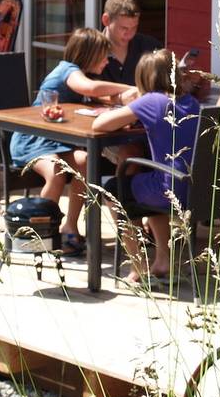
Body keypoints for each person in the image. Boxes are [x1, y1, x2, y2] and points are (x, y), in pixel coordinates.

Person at [9, 29, 136, 256]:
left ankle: (71, 226)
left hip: (54, 141)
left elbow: (99, 95)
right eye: (103, 56)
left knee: (85, 160)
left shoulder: (79, 74)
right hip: (32, 138)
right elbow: (91, 89)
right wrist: (130, 88)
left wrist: (121, 99)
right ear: (89, 55)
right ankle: (42, 231)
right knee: (57, 170)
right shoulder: (68, 70)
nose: (107, 61)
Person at [93, 49, 200, 283]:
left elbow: (100, 124)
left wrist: (133, 106)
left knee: (113, 190)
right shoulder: (190, 102)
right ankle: (163, 259)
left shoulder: (152, 101)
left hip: (168, 190)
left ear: (145, 78)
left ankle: (138, 267)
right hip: (194, 191)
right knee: (147, 178)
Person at [96, 0, 162, 85]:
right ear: (106, 20)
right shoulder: (91, 51)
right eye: (124, 28)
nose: (130, 34)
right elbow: (87, 88)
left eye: (134, 27)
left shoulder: (151, 47)